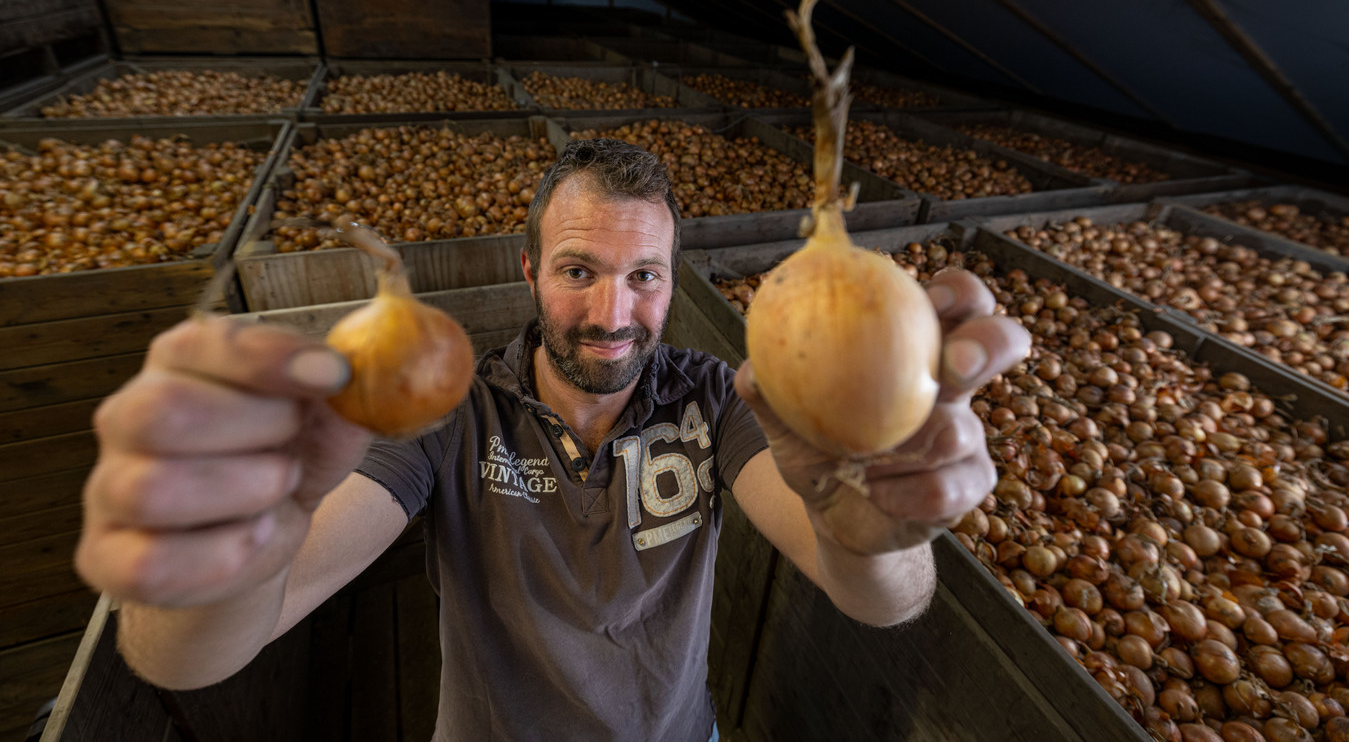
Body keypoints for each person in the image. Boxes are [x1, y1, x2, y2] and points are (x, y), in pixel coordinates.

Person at [76, 138, 1029, 741]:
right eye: (580, 269)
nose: (613, 313)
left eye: (644, 276)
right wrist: (219, 563)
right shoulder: (452, 415)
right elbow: (186, 659)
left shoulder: (715, 399)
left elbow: (875, 595)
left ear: (671, 278)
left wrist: (881, 535)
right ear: (530, 269)